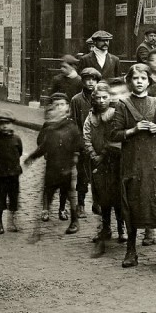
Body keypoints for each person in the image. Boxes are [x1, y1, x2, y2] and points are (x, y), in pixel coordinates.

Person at [108, 63, 156, 268]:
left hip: (154, 160)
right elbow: (114, 134)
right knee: (132, 201)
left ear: (149, 82)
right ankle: (131, 249)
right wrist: (132, 130)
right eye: (135, 79)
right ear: (129, 81)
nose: (139, 82)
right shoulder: (123, 104)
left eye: (143, 79)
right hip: (132, 160)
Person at [24, 93, 82, 235]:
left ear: (67, 107)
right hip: (52, 168)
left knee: (70, 195)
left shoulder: (72, 127)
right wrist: (32, 157)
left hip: (67, 169)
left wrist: (75, 157)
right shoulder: (50, 128)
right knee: (47, 193)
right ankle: (38, 226)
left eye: (62, 105)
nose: (59, 108)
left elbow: (79, 145)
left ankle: (74, 221)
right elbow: (43, 146)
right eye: (56, 105)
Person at [83, 81, 124, 253]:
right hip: (99, 164)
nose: (101, 101)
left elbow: (117, 138)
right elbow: (86, 136)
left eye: (104, 97)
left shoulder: (115, 114)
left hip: (114, 162)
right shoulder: (90, 117)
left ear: (110, 98)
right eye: (98, 98)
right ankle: (106, 228)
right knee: (102, 197)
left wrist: (104, 155)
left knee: (119, 198)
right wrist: (93, 154)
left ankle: (122, 230)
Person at [70, 67, 101, 218]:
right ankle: (81, 204)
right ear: (82, 81)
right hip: (83, 144)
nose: (90, 82)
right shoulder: (76, 100)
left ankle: (97, 202)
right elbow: (74, 123)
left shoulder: (100, 98)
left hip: (98, 144)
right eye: (87, 79)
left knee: (98, 174)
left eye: (93, 79)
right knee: (82, 175)